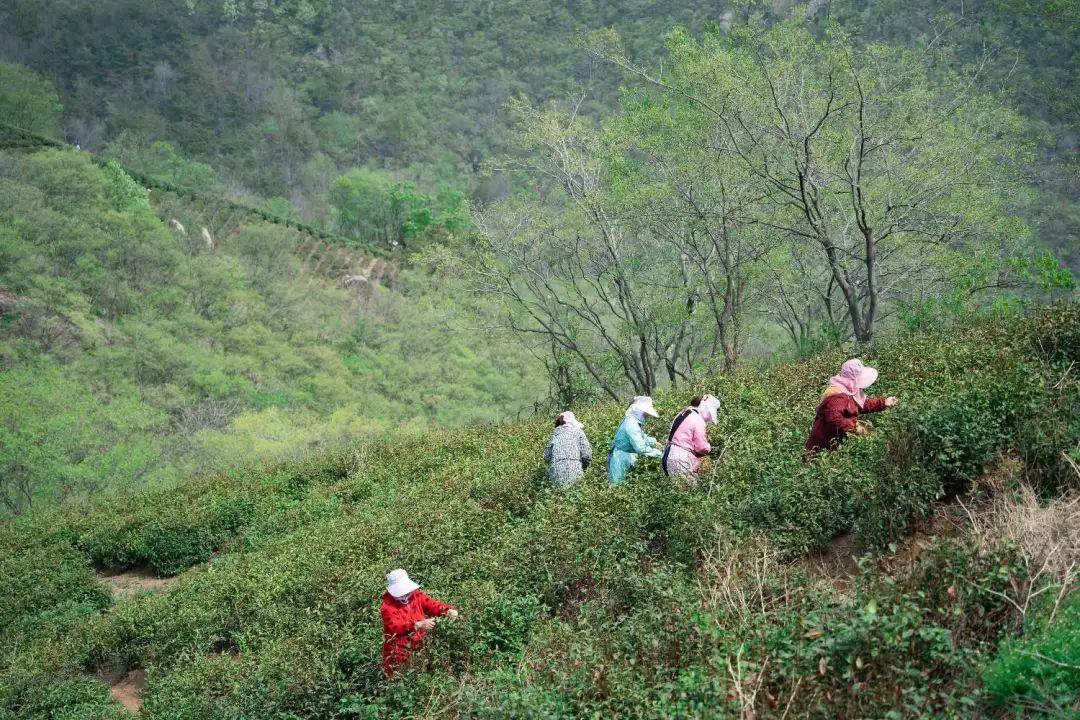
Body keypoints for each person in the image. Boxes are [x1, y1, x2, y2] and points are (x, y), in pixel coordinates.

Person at [805, 359, 899, 455]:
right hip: (823, 442)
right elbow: (834, 419)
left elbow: (862, 404)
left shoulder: (849, 389)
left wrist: (884, 402)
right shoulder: (837, 395)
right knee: (816, 463)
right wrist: (854, 427)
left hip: (835, 440)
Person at [380, 568, 458, 676]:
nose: (405, 594)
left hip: (418, 646)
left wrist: (447, 610)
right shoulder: (387, 607)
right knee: (398, 680)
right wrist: (418, 624)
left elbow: (432, 605)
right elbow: (396, 627)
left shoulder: (416, 595)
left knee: (420, 675)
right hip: (398, 652)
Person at [662, 394, 721, 487]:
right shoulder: (698, 420)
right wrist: (711, 448)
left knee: (675, 490)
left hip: (667, 454)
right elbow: (701, 447)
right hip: (680, 458)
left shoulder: (684, 412)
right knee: (690, 492)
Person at [608, 396, 663, 484]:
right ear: (639, 411)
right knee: (618, 487)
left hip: (624, 456)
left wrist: (654, 442)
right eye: (645, 414)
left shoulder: (632, 421)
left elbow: (642, 436)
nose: (646, 416)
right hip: (621, 459)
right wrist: (658, 453)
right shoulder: (631, 424)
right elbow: (640, 447)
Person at [544, 411, 592, 488]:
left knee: (559, 496)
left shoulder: (555, 434)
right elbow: (586, 455)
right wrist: (584, 467)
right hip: (575, 468)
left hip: (556, 471)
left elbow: (546, 457)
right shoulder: (578, 432)